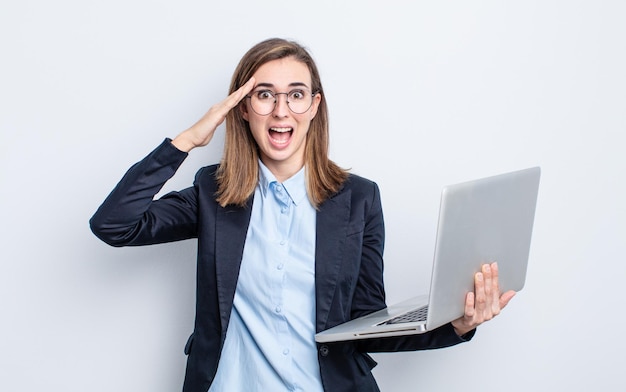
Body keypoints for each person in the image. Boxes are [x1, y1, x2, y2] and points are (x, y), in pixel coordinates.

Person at [90, 38, 515, 392]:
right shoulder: (213, 192)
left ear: (313, 106)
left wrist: (456, 324)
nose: (280, 110)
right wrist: (186, 140)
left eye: (295, 94)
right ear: (242, 107)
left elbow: (367, 323)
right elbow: (114, 224)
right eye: (264, 95)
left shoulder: (359, 199)